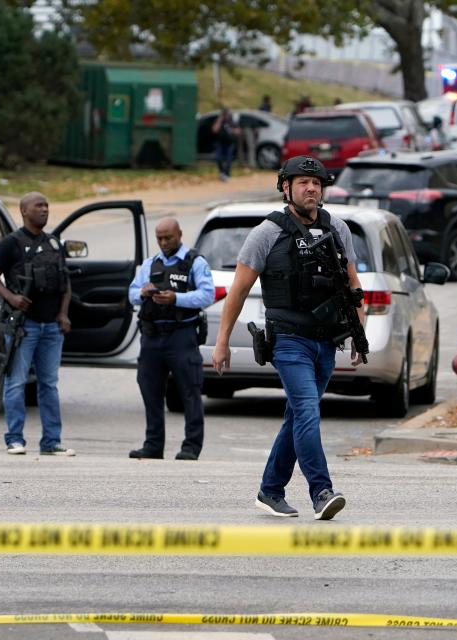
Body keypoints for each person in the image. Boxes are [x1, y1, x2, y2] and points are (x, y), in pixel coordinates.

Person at [212, 156, 366, 520]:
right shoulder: (267, 233)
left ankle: (270, 490)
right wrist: (221, 342)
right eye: (302, 182)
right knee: (308, 411)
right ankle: (321, 491)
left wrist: (360, 337)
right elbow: (237, 291)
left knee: (297, 416)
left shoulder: (338, 228)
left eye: (317, 183)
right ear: (286, 188)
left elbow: (353, 287)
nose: (311, 188)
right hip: (289, 341)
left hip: (326, 340)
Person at [0, 192, 75, 457]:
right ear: (24, 211)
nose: (45, 210)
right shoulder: (10, 243)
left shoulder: (54, 244)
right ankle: (14, 439)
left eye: (47, 205)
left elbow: (65, 283)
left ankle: (51, 441)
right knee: (16, 382)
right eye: (39, 206)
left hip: (51, 327)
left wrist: (63, 314)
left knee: (49, 384)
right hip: (25, 326)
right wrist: (11, 297)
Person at [127, 217, 214, 461]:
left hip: (182, 335)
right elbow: (131, 293)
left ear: (180, 234)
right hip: (152, 337)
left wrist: (176, 298)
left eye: (169, 238)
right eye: (160, 238)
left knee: (190, 391)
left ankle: (191, 447)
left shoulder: (195, 262)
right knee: (150, 390)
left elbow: (207, 295)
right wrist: (142, 292)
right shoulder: (150, 264)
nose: (164, 243)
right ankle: (153, 445)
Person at [211, 107, 240, 181]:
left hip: (229, 143)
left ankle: (227, 174)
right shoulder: (218, 120)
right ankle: (222, 173)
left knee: (228, 159)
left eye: (226, 114)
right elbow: (214, 130)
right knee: (218, 158)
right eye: (224, 114)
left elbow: (238, 131)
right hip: (219, 143)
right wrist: (220, 120)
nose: (225, 115)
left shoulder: (231, 121)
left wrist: (232, 130)